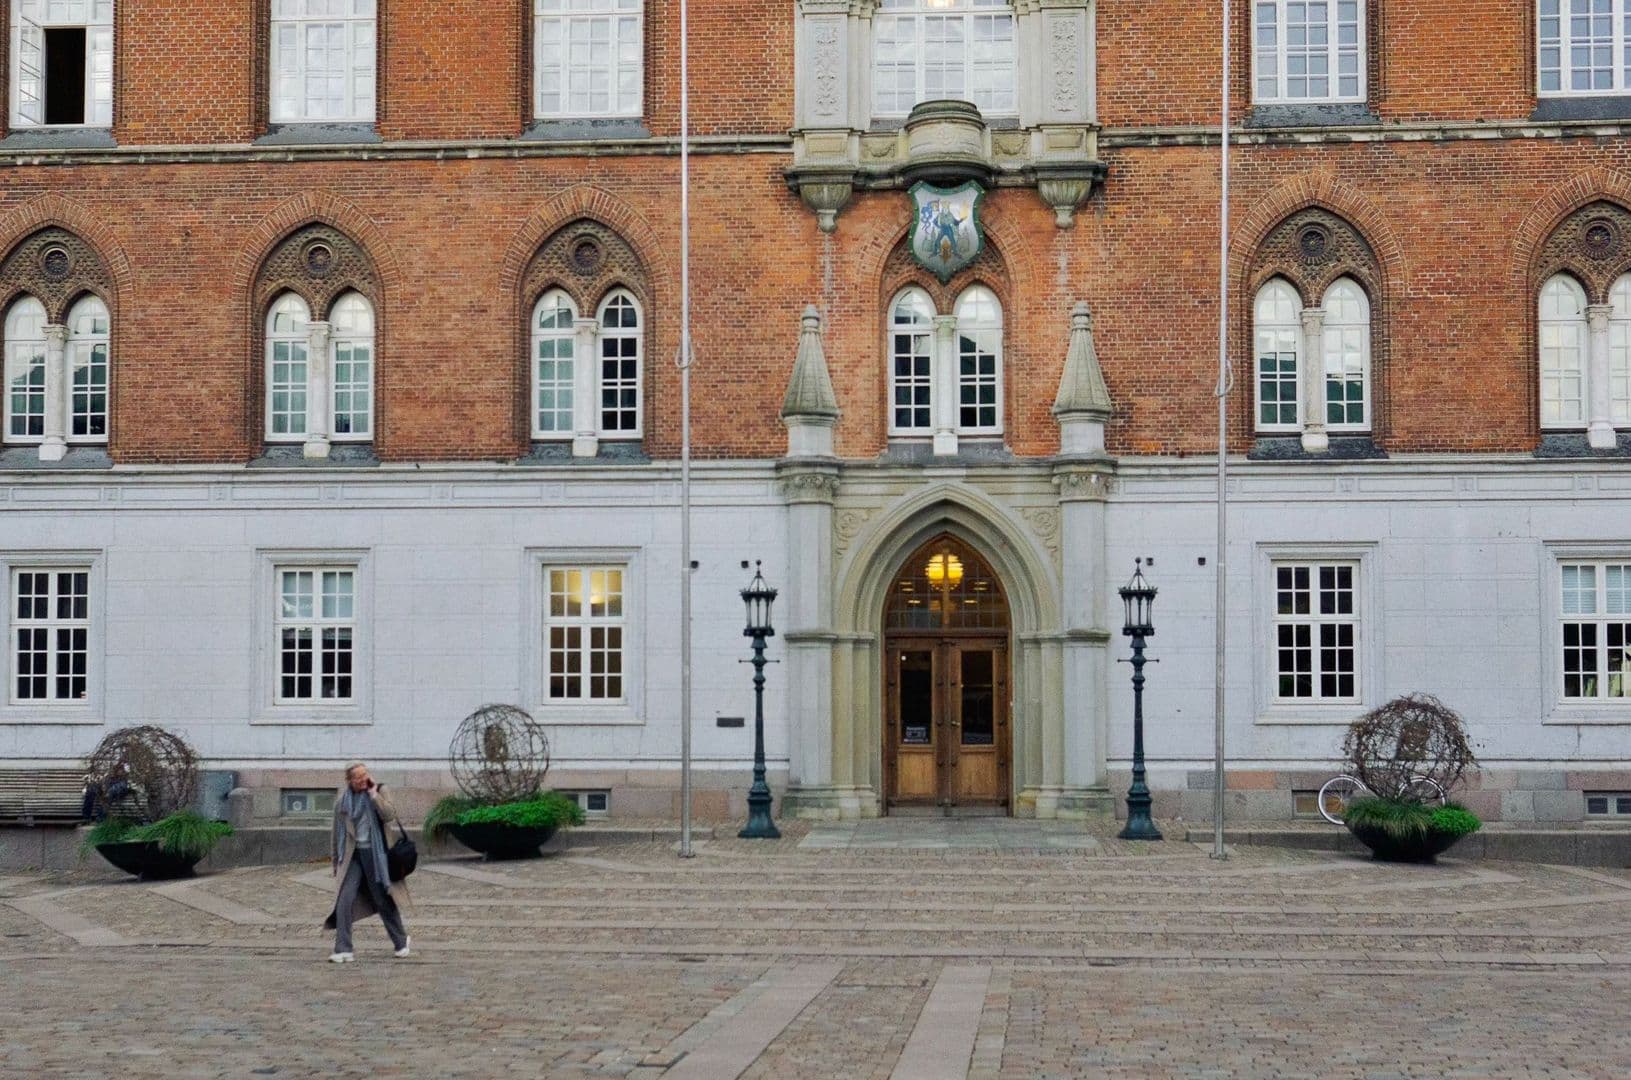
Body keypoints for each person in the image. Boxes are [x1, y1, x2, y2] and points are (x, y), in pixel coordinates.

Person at [323, 762, 410, 962]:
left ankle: (401, 941)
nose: (362, 779)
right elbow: (336, 835)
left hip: (376, 855)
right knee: (344, 900)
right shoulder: (342, 802)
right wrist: (336, 862)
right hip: (352, 856)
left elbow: (389, 815)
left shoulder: (380, 791)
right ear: (349, 780)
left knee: (382, 899)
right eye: (358, 777)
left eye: (365, 775)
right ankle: (343, 948)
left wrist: (373, 795)